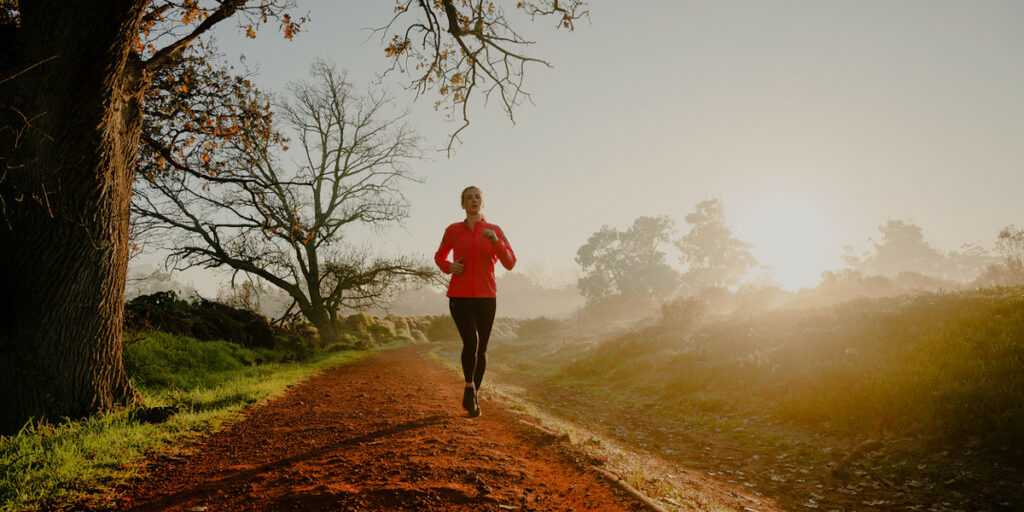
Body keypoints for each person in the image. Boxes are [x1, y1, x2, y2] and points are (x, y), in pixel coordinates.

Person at [434, 186, 516, 417]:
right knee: (471, 343)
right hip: (459, 296)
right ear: (462, 204)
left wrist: (495, 242)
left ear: (483, 202)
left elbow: (510, 262)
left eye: (477, 197)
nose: (473, 200)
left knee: (482, 349)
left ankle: (474, 395)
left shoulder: (495, 230)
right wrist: (449, 266)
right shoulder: (452, 230)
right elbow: (439, 256)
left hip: (486, 297)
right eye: (468, 198)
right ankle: (469, 388)